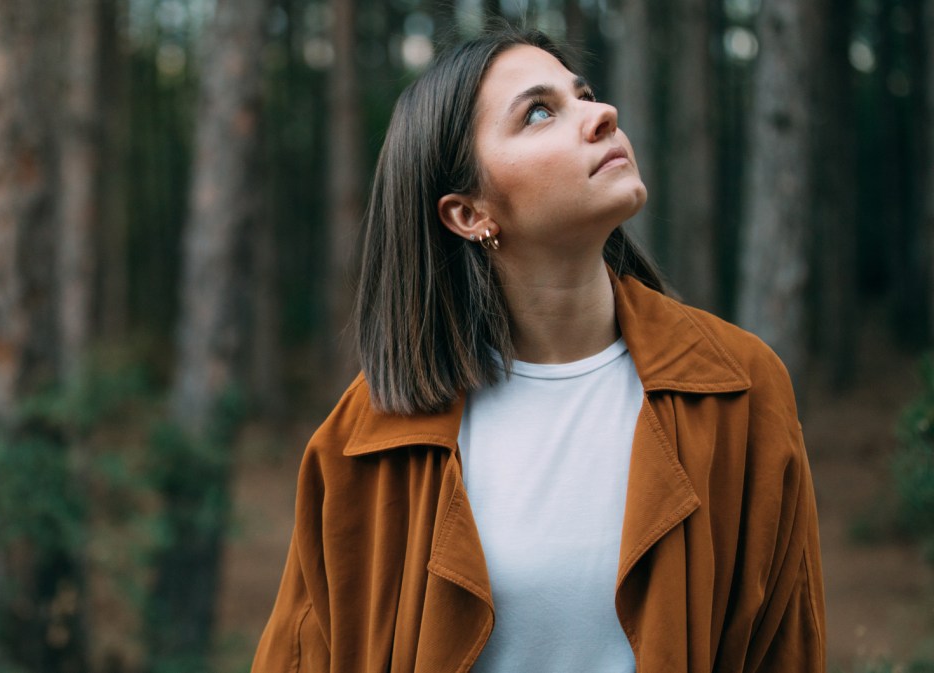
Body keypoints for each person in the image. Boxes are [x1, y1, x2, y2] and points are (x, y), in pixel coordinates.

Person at [251, 25, 825, 673]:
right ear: (468, 214)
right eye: (540, 112)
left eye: (585, 95)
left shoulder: (741, 388)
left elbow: (789, 646)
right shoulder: (367, 438)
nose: (601, 114)